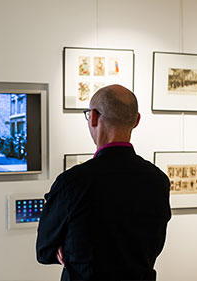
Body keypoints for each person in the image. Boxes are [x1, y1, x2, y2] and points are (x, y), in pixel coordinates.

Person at [36, 84, 171, 281]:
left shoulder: (74, 182)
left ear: (93, 117)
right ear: (137, 121)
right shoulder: (158, 180)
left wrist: (68, 247)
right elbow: (153, 246)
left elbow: (44, 250)